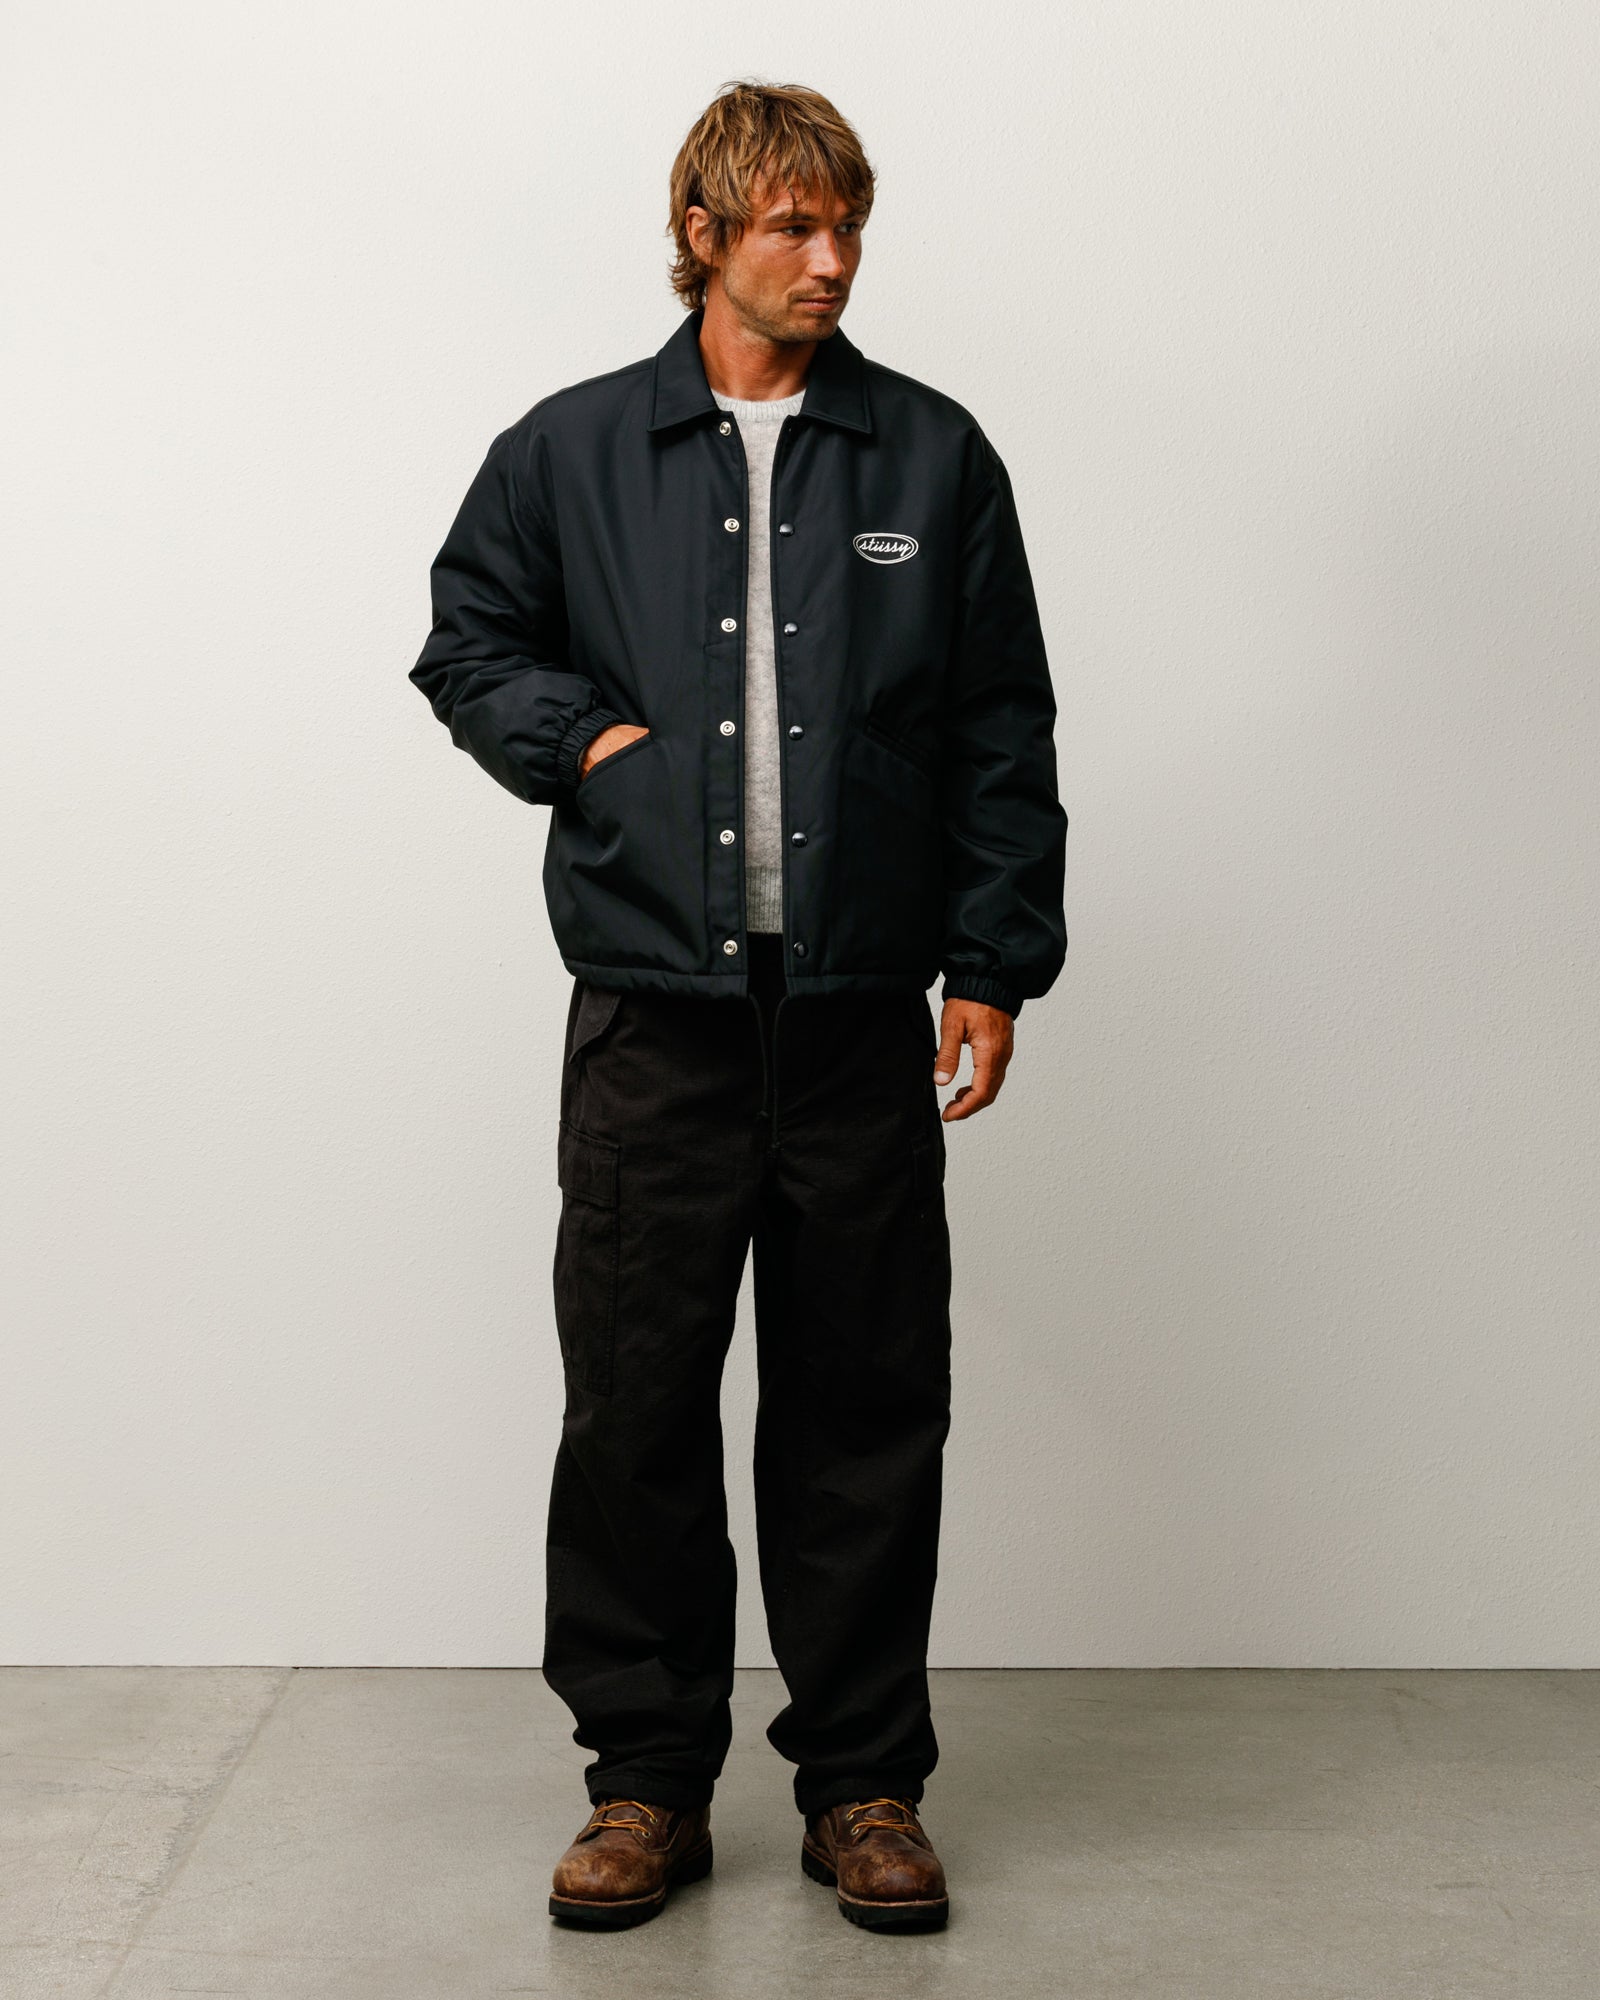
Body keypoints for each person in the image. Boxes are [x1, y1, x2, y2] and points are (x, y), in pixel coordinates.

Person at [409, 77, 1067, 1934]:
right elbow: (468, 639)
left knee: (865, 1408)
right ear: (704, 233)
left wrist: (993, 962)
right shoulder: (570, 449)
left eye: (848, 225)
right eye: (793, 225)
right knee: (632, 1410)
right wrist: (588, 743)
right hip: (652, 1019)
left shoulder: (931, 456)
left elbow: (999, 723)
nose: (831, 258)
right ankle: (643, 1782)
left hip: (856, 1011)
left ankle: (864, 1786)